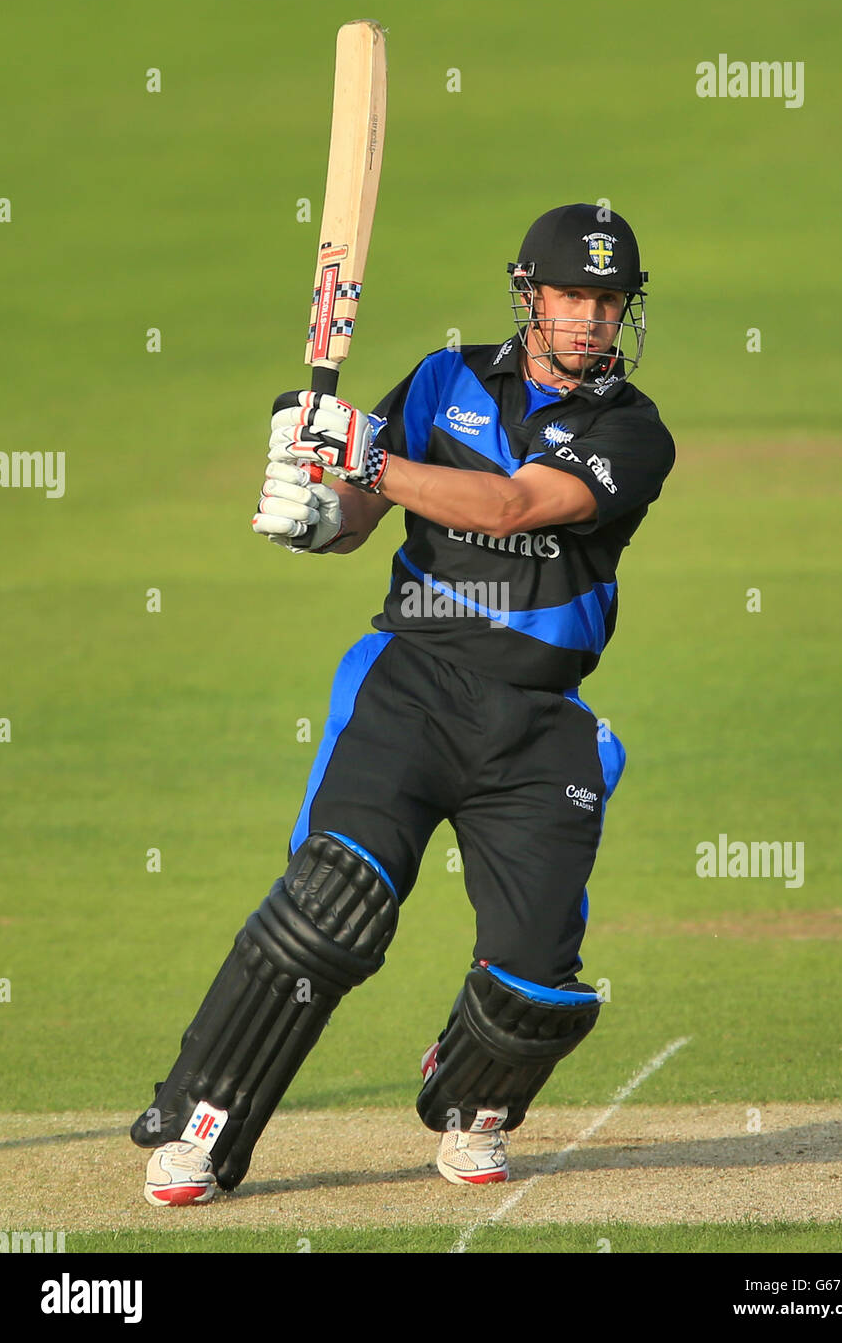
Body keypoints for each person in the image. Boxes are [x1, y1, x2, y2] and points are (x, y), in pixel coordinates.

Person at [131, 202, 675, 1204]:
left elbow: (512, 504)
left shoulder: (632, 433)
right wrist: (315, 512)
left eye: (611, 300)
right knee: (330, 909)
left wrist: (365, 456)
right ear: (530, 296)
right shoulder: (442, 379)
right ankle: (204, 1127)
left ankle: (473, 1097)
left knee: (538, 983)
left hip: (537, 717)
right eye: (574, 296)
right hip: (412, 687)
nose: (595, 318)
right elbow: (358, 517)